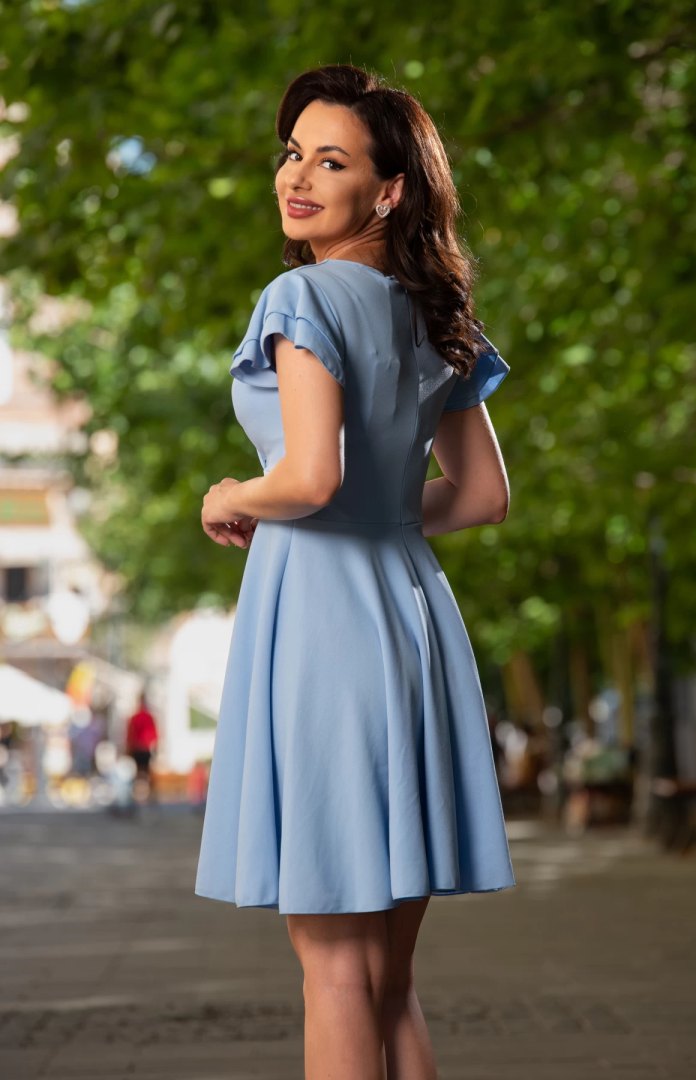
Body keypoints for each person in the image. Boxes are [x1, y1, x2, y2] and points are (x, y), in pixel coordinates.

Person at [196, 64, 515, 1080]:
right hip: (412, 623)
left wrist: (230, 496)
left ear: (387, 191)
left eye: (331, 160)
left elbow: (307, 474)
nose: (298, 175)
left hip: (325, 636)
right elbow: (477, 498)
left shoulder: (300, 295)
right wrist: (367, 510)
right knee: (388, 983)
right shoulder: (436, 310)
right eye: (293, 151)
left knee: (335, 973)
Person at [125, 692, 158, 786]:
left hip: (137, 748)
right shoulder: (148, 717)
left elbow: (130, 734)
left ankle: (139, 789)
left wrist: (128, 748)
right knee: (145, 771)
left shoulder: (135, 717)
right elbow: (154, 735)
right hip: (145, 748)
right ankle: (144, 789)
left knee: (138, 771)